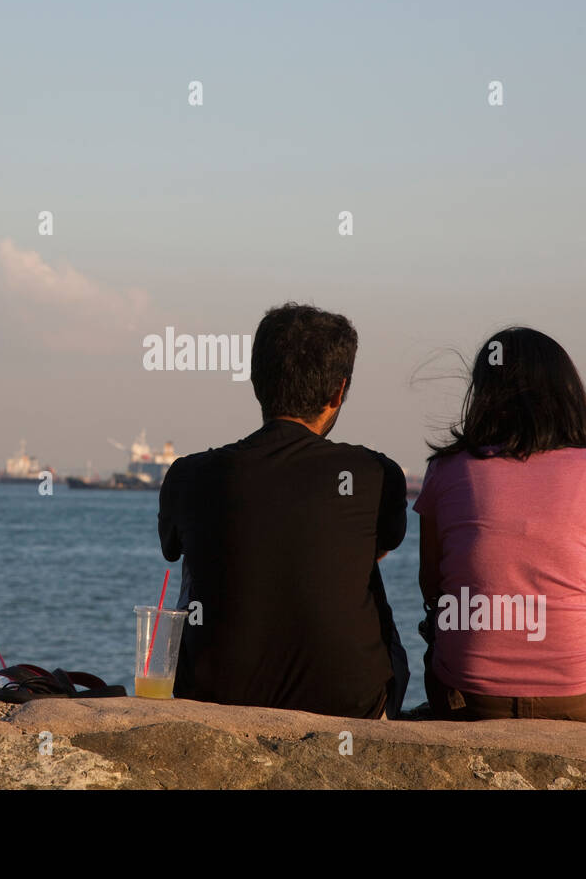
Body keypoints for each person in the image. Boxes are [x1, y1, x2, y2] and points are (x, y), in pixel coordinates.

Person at [412, 327, 586, 740]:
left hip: (469, 695)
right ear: (568, 393)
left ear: (484, 395)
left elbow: (433, 587)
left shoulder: (446, 470)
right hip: (583, 699)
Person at [158, 303, 409, 719]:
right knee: (357, 554)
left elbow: (172, 549)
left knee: (198, 557)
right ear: (338, 391)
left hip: (210, 698)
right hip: (356, 705)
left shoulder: (188, 475)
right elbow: (382, 545)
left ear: (256, 382)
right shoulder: (377, 474)